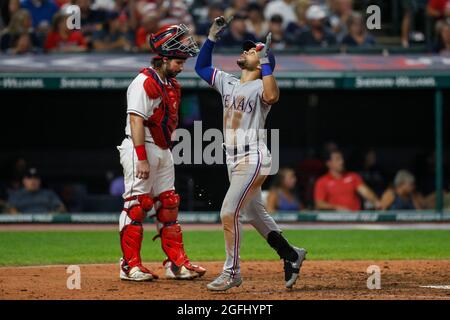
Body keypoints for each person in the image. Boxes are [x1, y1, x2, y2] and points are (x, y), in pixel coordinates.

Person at [195, 16, 307, 292]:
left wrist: (267, 62)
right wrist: (211, 37)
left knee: (229, 211)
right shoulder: (228, 82)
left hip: (253, 157)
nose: (246, 51)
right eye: (247, 49)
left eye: (252, 50)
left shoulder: (261, 85)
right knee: (255, 215)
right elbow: (201, 67)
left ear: (261, 62)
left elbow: (272, 96)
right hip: (233, 160)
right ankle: (291, 254)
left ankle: (231, 272)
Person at [117, 23, 206, 282]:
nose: (182, 66)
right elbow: (135, 120)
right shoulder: (144, 81)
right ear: (164, 59)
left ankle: (175, 264)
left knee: (168, 205)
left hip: (163, 149)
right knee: (137, 206)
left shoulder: (169, 83)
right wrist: (142, 157)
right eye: (179, 61)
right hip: (139, 147)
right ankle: (129, 266)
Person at [314, 149, 381, 211]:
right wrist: (336, 208)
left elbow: (365, 192)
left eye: (342, 158)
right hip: (334, 219)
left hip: (355, 218)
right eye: (337, 159)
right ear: (329, 163)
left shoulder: (353, 176)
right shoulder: (322, 182)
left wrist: (376, 202)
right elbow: (319, 204)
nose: (342, 162)